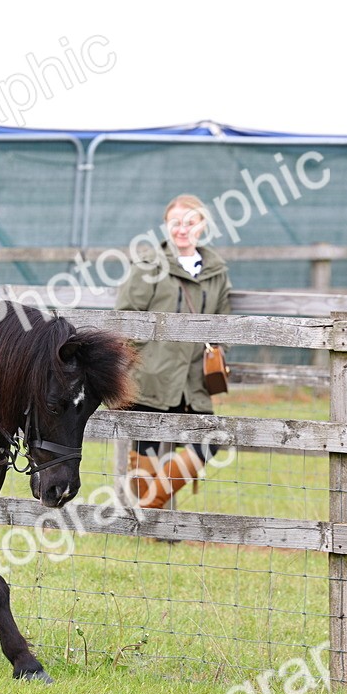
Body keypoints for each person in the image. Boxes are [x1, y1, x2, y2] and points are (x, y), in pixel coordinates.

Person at [114, 194, 232, 509]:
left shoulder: (217, 272)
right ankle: (150, 521)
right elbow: (127, 318)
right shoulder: (149, 266)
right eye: (175, 222)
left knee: (210, 442)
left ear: (203, 226)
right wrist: (137, 365)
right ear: (166, 226)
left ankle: (147, 508)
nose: (183, 229)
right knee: (147, 452)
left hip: (193, 384)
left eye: (190, 222)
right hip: (152, 379)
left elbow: (223, 324)